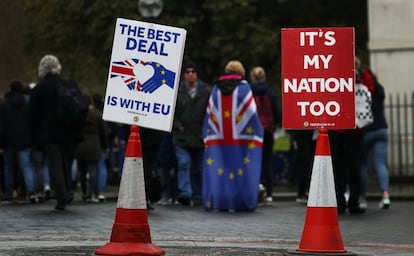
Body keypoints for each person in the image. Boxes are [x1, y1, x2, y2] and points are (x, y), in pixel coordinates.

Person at [202, 60, 264, 212]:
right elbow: (251, 114)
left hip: (218, 139)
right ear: (241, 73)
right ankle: (239, 202)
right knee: (240, 170)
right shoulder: (244, 89)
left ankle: (219, 202)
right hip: (241, 141)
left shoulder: (216, 88)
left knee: (221, 169)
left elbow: (210, 114)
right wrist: (258, 132)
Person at [29, 54, 85, 210]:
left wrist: (34, 135)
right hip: (70, 131)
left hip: (49, 134)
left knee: (55, 166)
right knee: (66, 162)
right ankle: (68, 190)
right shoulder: (69, 83)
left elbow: (33, 115)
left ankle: (61, 196)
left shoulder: (39, 88)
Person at [328, 65, 367, 215]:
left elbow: (371, 89)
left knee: (353, 168)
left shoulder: (361, 75)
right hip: (340, 129)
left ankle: (351, 201)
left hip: (353, 130)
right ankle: (341, 201)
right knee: (340, 168)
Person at [172, 61, 211, 206]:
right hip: (182, 135)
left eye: (193, 71)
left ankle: (198, 194)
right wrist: (177, 126)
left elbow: (211, 112)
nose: (190, 74)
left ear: (197, 74)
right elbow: (171, 112)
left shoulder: (206, 91)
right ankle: (185, 193)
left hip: (199, 135)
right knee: (184, 163)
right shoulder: (177, 90)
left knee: (199, 168)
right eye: (187, 72)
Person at [358, 65, 391, 209]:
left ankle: (362, 198)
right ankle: (385, 195)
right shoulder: (380, 90)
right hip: (382, 129)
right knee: (380, 163)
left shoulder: (363, 90)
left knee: (362, 164)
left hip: (367, 130)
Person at [0, 81, 36, 203]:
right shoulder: (27, 103)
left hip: (8, 140)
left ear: (10, 88)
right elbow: (32, 122)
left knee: (8, 168)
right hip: (25, 140)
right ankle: (31, 191)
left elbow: (1, 125)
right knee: (26, 166)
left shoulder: (4, 104)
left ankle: (9, 193)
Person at [249, 66, 281, 205]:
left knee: (252, 161)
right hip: (267, 129)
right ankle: (269, 193)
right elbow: (277, 112)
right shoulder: (270, 92)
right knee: (267, 161)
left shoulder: (248, 91)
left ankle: (255, 189)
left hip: (252, 131)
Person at [75, 94, 108, 203]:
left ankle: (84, 192)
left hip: (80, 143)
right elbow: (103, 132)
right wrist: (105, 145)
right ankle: (92, 193)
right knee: (93, 169)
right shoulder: (97, 114)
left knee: (82, 171)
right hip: (94, 143)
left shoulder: (78, 113)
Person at [290, 129, 316, 204]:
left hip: (306, 133)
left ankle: (304, 193)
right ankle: (302, 193)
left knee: (306, 165)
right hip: (304, 133)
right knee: (304, 165)